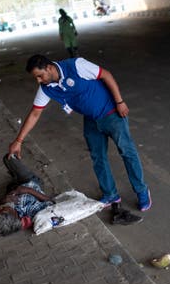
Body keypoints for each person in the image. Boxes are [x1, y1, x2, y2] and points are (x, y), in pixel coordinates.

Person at [8, 54, 152, 213]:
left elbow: (106, 75)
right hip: (91, 120)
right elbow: (35, 113)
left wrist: (119, 102)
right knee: (98, 157)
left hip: (111, 113)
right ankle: (111, 194)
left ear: (49, 68)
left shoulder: (76, 65)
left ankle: (141, 191)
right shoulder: (46, 88)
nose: (39, 81)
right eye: (36, 78)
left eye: (40, 76)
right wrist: (18, 141)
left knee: (127, 152)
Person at [0, 154, 54, 236]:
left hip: (13, 187)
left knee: (8, 159)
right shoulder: (31, 211)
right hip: (30, 183)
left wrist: (2, 201)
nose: (1, 207)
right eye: (4, 209)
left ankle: (15, 177)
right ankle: (20, 176)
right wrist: (28, 190)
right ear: (14, 216)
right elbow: (51, 202)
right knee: (10, 158)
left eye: (0, 210)